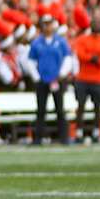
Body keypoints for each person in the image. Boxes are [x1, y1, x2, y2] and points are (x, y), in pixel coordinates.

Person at [26, 16, 72, 144]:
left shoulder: (61, 41)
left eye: (49, 24)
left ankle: (64, 137)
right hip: (42, 80)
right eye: (45, 24)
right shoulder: (37, 43)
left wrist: (61, 74)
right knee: (41, 110)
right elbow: (31, 61)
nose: (47, 27)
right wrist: (36, 77)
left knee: (60, 109)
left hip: (57, 80)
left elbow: (68, 58)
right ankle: (38, 138)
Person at [71, 24, 100, 143]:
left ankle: (97, 132)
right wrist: (93, 58)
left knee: (98, 107)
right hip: (83, 78)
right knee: (80, 106)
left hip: (99, 79)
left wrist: (92, 58)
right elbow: (80, 55)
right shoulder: (82, 39)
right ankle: (79, 132)